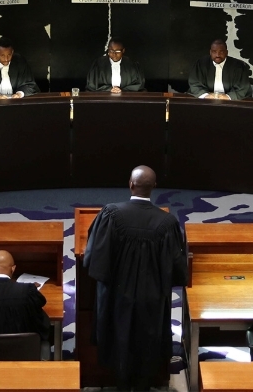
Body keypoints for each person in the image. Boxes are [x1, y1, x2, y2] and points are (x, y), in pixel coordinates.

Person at [83, 166, 187, 391]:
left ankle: (120, 383)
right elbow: (177, 269)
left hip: (117, 297)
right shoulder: (167, 223)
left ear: (130, 184)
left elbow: (94, 259)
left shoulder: (110, 214)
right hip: (151, 301)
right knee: (146, 345)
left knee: (118, 338)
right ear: (154, 187)